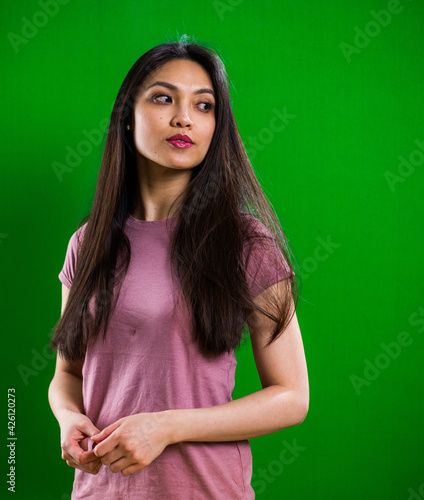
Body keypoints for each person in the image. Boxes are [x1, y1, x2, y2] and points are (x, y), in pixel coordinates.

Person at [48, 35, 309, 499]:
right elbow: (67, 374)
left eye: (204, 106)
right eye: (164, 98)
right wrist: (69, 418)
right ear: (127, 117)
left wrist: (166, 427)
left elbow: (291, 397)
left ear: (216, 128)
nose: (184, 117)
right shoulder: (86, 244)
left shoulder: (244, 243)